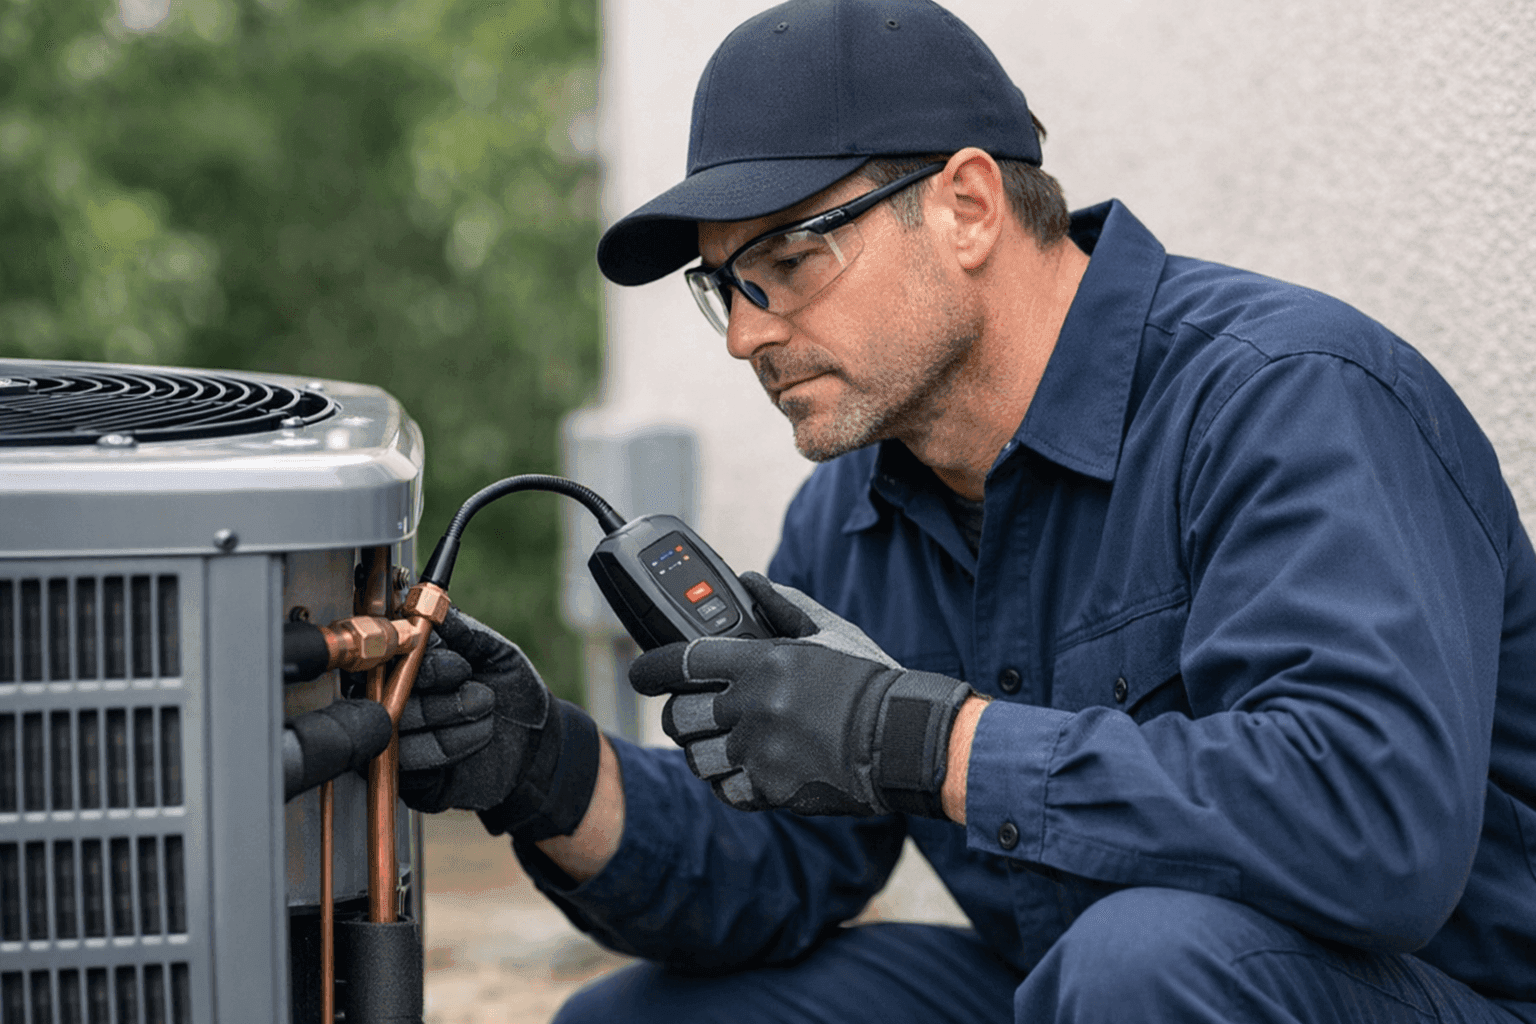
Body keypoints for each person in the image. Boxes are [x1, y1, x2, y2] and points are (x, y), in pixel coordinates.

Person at [395, 1, 1536, 1021]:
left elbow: (1372, 825)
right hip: (1074, 982)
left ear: (969, 207)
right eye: (724, 286)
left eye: (786, 260)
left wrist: (926, 740)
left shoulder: (1289, 398)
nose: (746, 334)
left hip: (1407, 990)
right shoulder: (854, 513)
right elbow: (773, 870)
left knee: (1143, 960)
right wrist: (541, 766)